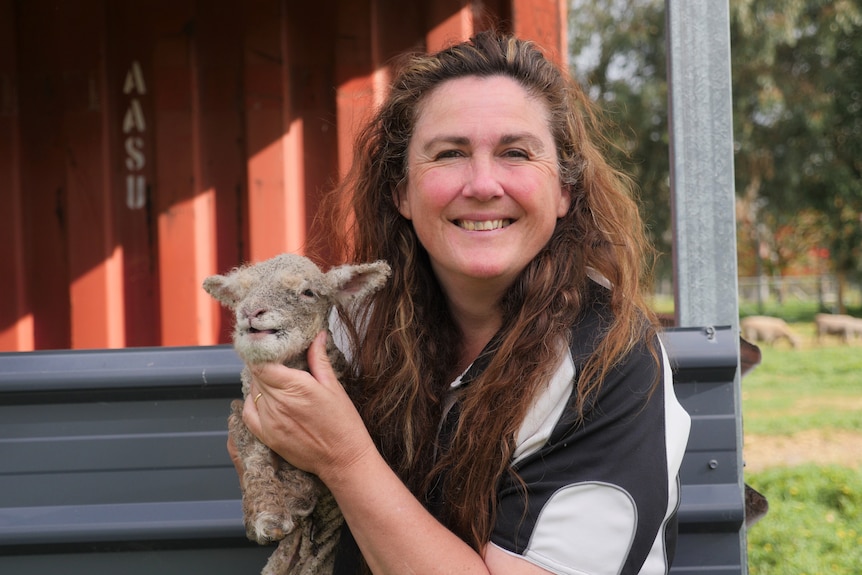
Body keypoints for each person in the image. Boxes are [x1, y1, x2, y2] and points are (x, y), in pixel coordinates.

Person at [236, 30, 691, 575]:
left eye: (515, 153)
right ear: (401, 191)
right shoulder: (347, 326)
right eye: (449, 154)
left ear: (565, 189)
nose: (481, 184)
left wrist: (344, 457)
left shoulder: (610, 361)